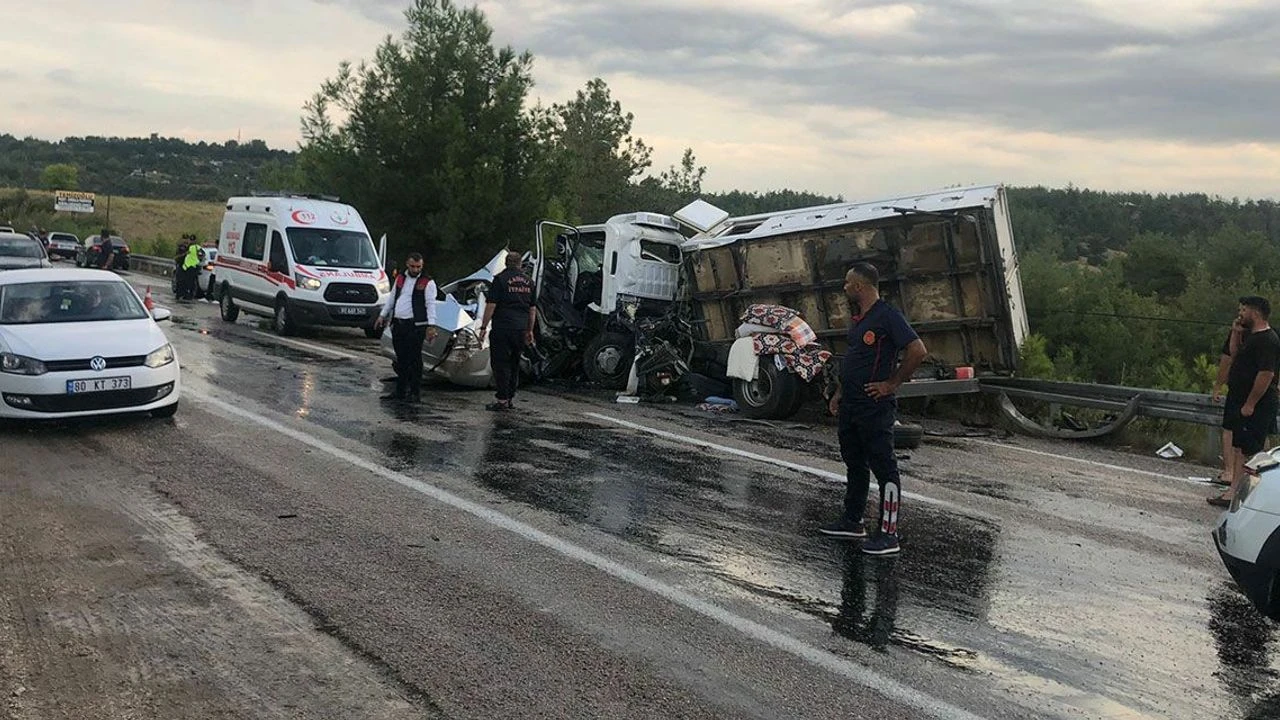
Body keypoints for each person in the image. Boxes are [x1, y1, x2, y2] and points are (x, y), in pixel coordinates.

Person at [820, 262, 927, 556]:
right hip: (851, 404)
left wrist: (891, 384)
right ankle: (852, 521)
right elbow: (853, 360)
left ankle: (888, 533)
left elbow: (917, 350)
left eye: (846, 283)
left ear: (859, 286)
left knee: (883, 466)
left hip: (874, 406)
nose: (843, 288)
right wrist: (839, 393)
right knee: (854, 462)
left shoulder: (888, 316)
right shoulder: (858, 320)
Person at [1210, 296, 1280, 507]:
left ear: (1255, 312)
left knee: (1252, 451)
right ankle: (1233, 493)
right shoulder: (1251, 337)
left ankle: (1248, 497)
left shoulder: (1268, 340)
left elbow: (1266, 374)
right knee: (1240, 449)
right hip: (1241, 399)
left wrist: (1250, 403)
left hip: (1256, 404)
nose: (1240, 314)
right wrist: (1236, 333)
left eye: (1244, 310)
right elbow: (1234, 355)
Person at [374, 253, 437, 402]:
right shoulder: (401, 278)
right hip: (399, 323)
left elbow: (430, 305)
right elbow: (392, 297)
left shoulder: (428, 282)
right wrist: (382, 315)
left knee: (414, 359)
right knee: (401, 359)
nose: (416, 269)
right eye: (413, 266)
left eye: (418, 267)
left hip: (416, 326)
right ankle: (400, 390)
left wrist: (431, 326)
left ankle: (415, 392)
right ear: (407, 265)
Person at [477, 251, 536, 411]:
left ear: (506, 263)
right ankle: (509, 397)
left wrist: (483, 327)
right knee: (514, 363)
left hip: (502, 328)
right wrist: (529, 330)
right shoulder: (529, 282)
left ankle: (502, 399)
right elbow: (532, 310)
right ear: (520, 264)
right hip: (520, 329)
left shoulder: (500, 280)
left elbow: (491, 305)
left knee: (500, 364)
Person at [1212, 319, 1247, 489]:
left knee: (1230, 429)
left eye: (1243, 310)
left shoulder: (1262, 338)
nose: (1240, 315)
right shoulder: (1268, 336)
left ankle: (1230, 472)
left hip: (1241, 389)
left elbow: (1227, 359)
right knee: (1257, 432)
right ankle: (1244, 473)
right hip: (1256, 391)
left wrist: (1218, 385)